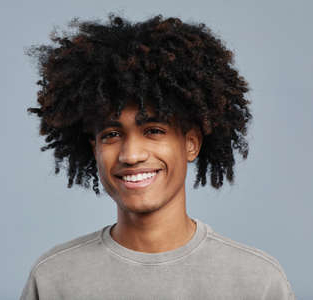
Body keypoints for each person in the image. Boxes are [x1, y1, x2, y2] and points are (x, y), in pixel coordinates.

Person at [21, 13, 295, 299]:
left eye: (153, 130)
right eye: (112, 135)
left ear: (191, 143)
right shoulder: (55, 279)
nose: (131, 155)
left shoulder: (257, 282)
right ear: (95, 149)